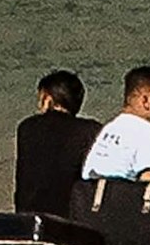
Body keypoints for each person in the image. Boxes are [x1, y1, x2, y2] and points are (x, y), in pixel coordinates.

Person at [14, 70, 100, 215]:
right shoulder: (90, 130)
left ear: (47, 98)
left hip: (29, 214)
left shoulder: (27, 127)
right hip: (71, 216)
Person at [81, 66, 150, 181]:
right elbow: (149, 182)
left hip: (92, 196)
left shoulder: (109, 128)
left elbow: (87, 175)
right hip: (122, 197)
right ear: (145, 101)